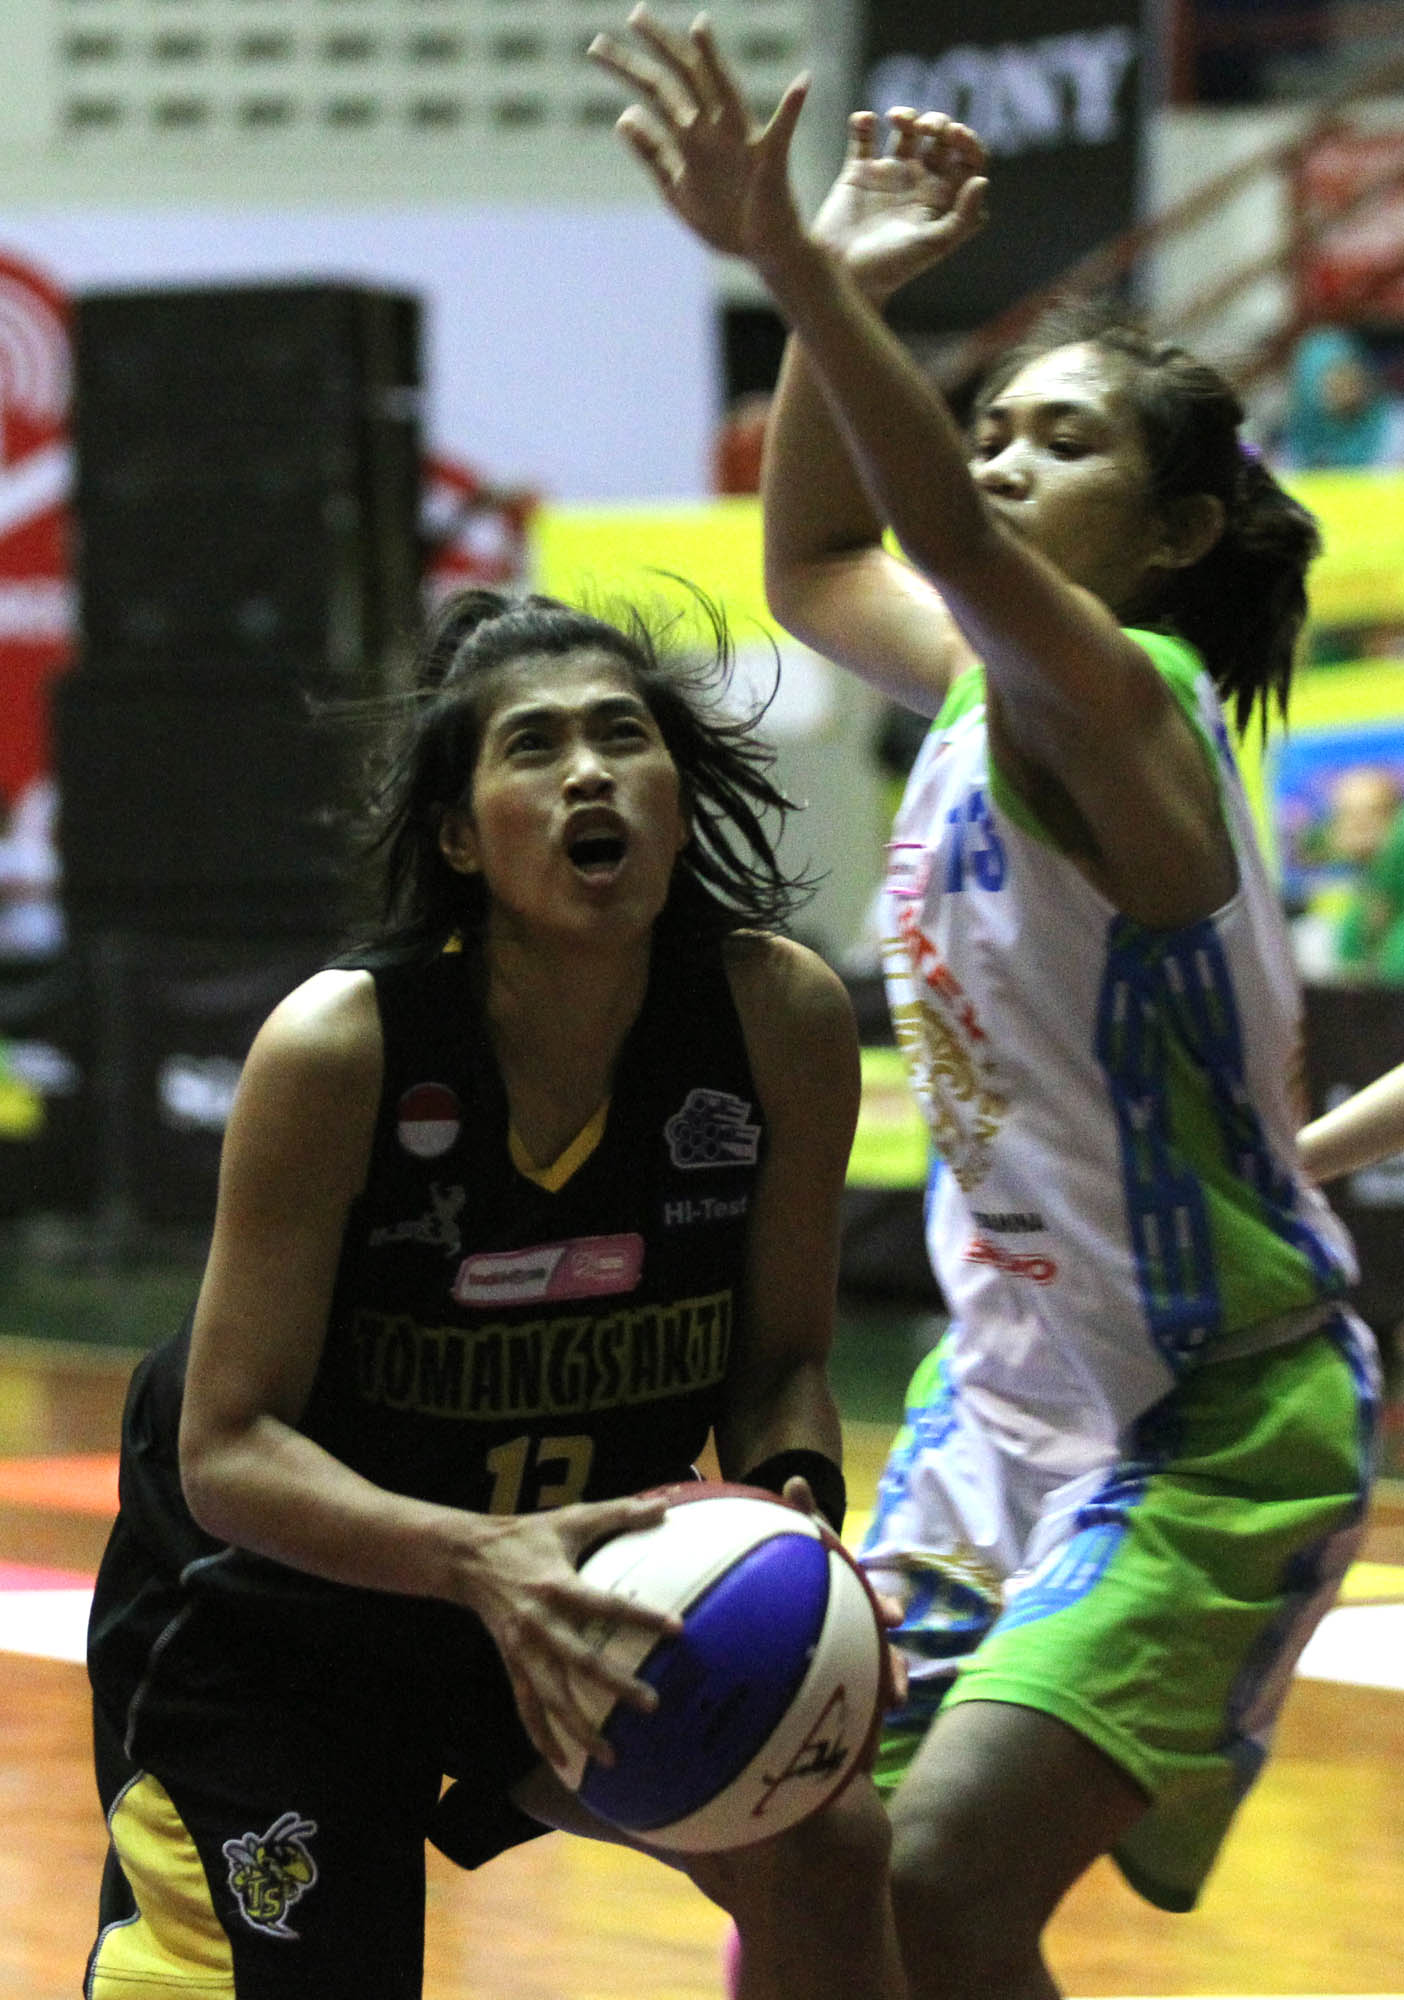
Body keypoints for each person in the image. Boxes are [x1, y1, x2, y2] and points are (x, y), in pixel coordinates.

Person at [588, 13, 1381, 1996]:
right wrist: (841, 286)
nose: (1007, 455)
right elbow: (816, 559)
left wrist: (795, 264)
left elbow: (927, 525)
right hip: (1000, 1402)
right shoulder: (969, 691)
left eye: (1065, 439)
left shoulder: (1129, 705)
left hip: (1209, 1427)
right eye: (996, 422)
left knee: (941, 1879)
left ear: (1176, 536)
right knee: (791, 1844)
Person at [83, 584, 904, 2000]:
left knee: (826, 1845)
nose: (589, 770)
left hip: (569, 1605)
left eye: (623, 735)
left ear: (677, 794)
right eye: (534, 745)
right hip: (282, 1627)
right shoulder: (342, 1047)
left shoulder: (779, 1018)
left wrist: (800, 1520)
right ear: (460, 834)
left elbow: (779, 1365)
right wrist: (480, 1559)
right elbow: (225, 1451)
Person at [1274, 324, 1404, 474]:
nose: (1345, 383)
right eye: (1331, 374)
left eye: (1349, 369)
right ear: (1306, 385)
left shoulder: (1396, 430)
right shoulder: (1293, 450)